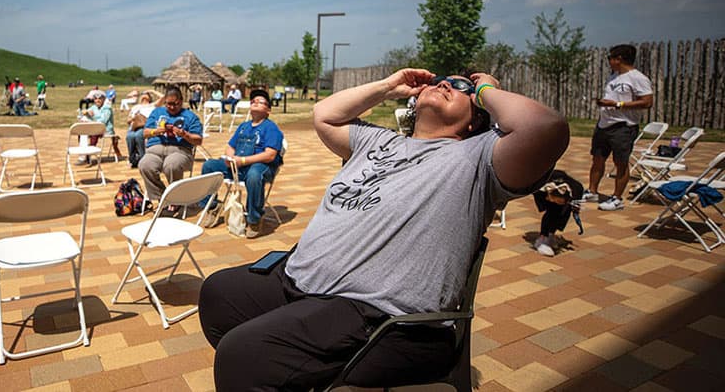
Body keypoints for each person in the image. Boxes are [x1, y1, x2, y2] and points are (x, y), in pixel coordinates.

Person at [198, 68, 568, 390]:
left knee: (242, 356)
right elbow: (324, 114)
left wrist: (486, 89)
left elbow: (546, 128)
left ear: (476, 120)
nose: (446, 85)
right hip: (299, 280)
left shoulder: (479, 158)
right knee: (218, 295)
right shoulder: (380, 140)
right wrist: (388, 86)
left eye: (461, 88)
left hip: (376, 312)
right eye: (440, 81)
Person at [200, 89, 284, 238]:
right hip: (237, 165)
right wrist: (230, 159)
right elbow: (230, 146)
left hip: (260, 166)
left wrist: (243, 161)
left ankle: (254, 219)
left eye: (261, 102)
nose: (256, 103)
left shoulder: (271, 128)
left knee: (254, 175)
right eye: (253, 101)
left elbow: (270, 155)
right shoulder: (243, 127)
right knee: (209, 166)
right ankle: (212, 206)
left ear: (268, 110)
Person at [583, 44, 654, 211]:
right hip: (604, 125)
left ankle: (617, 198)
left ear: (619, 59)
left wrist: (617, 104)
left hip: (623, 127)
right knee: (597, 159)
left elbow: (647, 102)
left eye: (610, 58)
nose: (609, 61)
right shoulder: (614, 76)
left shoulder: (638, 78)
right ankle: (592, 191)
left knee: (620, 162)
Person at [139, 87, 204, 203]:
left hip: (180, 151)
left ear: (181, 101)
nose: (172, 107)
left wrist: (184, 134)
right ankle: (163, 198)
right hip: (155, 150)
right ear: (164, 102)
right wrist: (156, 131)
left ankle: (176, 199)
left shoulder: (190, 116)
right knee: (145, 165)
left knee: (171, 165)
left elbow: (198, 140)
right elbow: (145, 133)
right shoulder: (157, 112)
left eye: (175, 104)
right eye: (169, 104)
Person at [532, 170, 585, 257]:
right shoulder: (540, 188)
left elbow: (576, 202)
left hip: (566, 196)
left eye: (560, 201)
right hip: (544, 189)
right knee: (551, 212)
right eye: (553, 199)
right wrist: (547, 202)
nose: (556, 202)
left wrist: (575, 210)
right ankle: (542, 238)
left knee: (563, 213)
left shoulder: (576, 189)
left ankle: (551, 234)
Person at [125, 91, 165, 168]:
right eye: (143, 94)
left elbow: (163, 97)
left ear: (150, 97)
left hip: (146, 126)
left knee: (138, 136)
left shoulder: (153, 105)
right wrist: (132, 119)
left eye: (147, 95)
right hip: (134, 126)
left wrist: (152, 91)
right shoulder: (135, 107)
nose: (144, 96)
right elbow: (128, 120)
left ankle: (143, 159)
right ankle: (132, 159)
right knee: (129, 137)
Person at [81, 92, 123, 162]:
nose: (97, 100)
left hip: (106, 129)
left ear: (103, 99)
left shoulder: (107, 108)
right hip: (95, 127)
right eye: (95, 99)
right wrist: (86, 112)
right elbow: (84, 113)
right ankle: (84, 151)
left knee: (94, 133)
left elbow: (103, 121)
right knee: (81, 132)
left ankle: (90, 152)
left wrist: (92, 119)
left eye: (100, 99)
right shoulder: (94, 107)